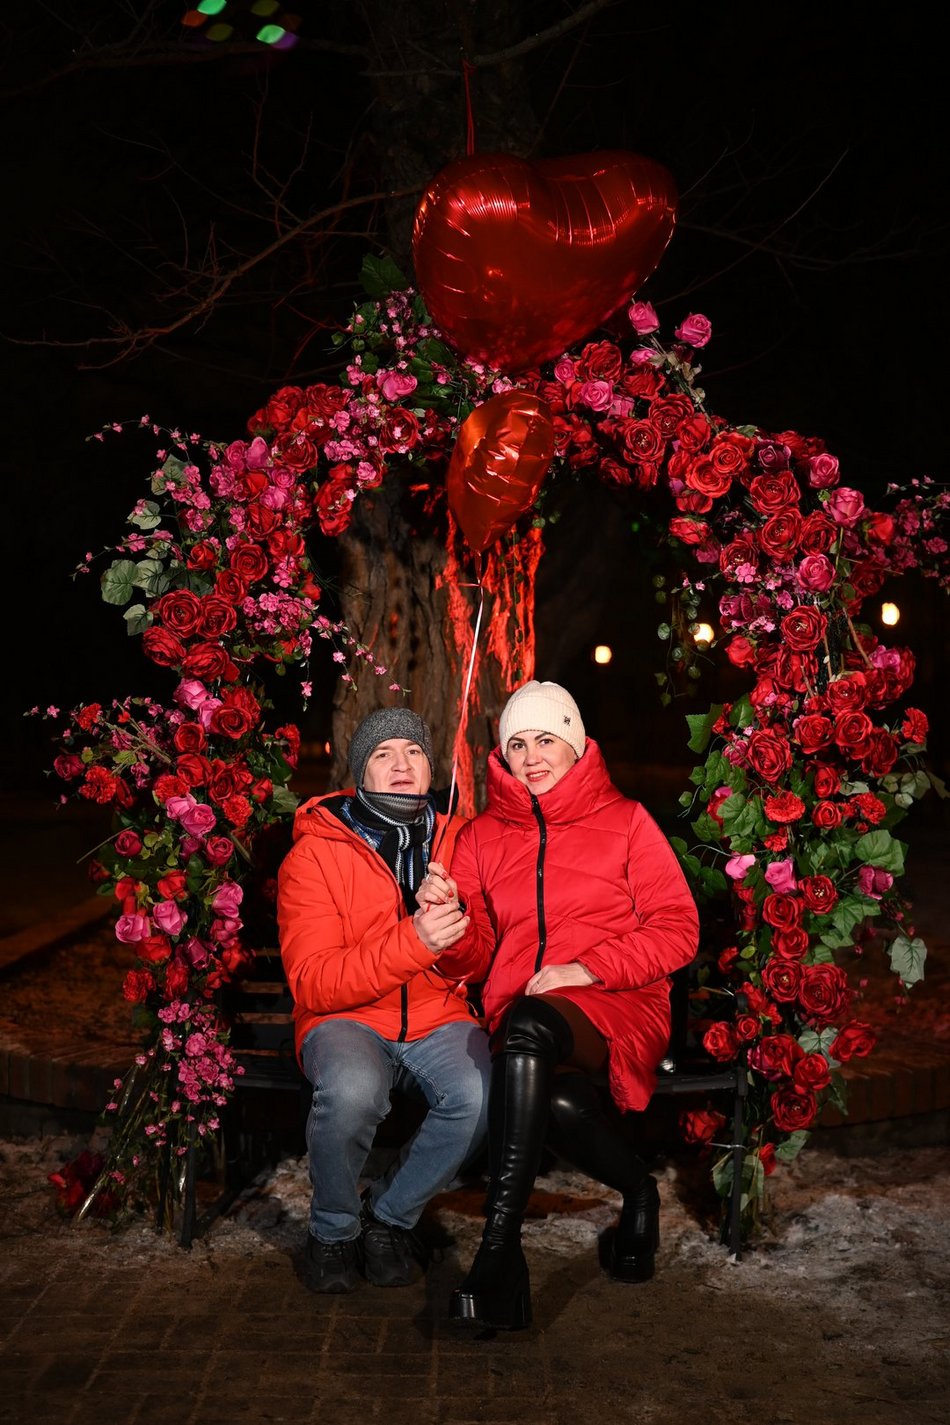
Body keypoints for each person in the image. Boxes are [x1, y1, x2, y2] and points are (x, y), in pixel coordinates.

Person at [419, 680, 699, 1330]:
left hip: (617, 1002)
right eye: (517, 742)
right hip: (527, 1016)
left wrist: (587, 967)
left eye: (547, 737)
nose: (531, 753)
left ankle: (499, 1255)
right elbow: (476, 953)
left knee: (526, 1024)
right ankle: (638, 1192)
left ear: (575, 744)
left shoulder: (626, 821)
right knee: (560, 1101)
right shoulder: (484, 837)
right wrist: (448, 927)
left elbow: (677, 926)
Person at [277, 707, 490, 1295]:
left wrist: (456, 931)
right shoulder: (315, 855)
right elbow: (315, 981)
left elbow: (477, 961)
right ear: (359, 772)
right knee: (352, 1089)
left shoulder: (460, 842)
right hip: (344, 1018)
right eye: (383, 754)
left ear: (430, 767)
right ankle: (334, 1231)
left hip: (436, 1016)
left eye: (415, 752)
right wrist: (415, 940)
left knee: (482, 1093)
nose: (402, 765)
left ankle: (388, 1219)